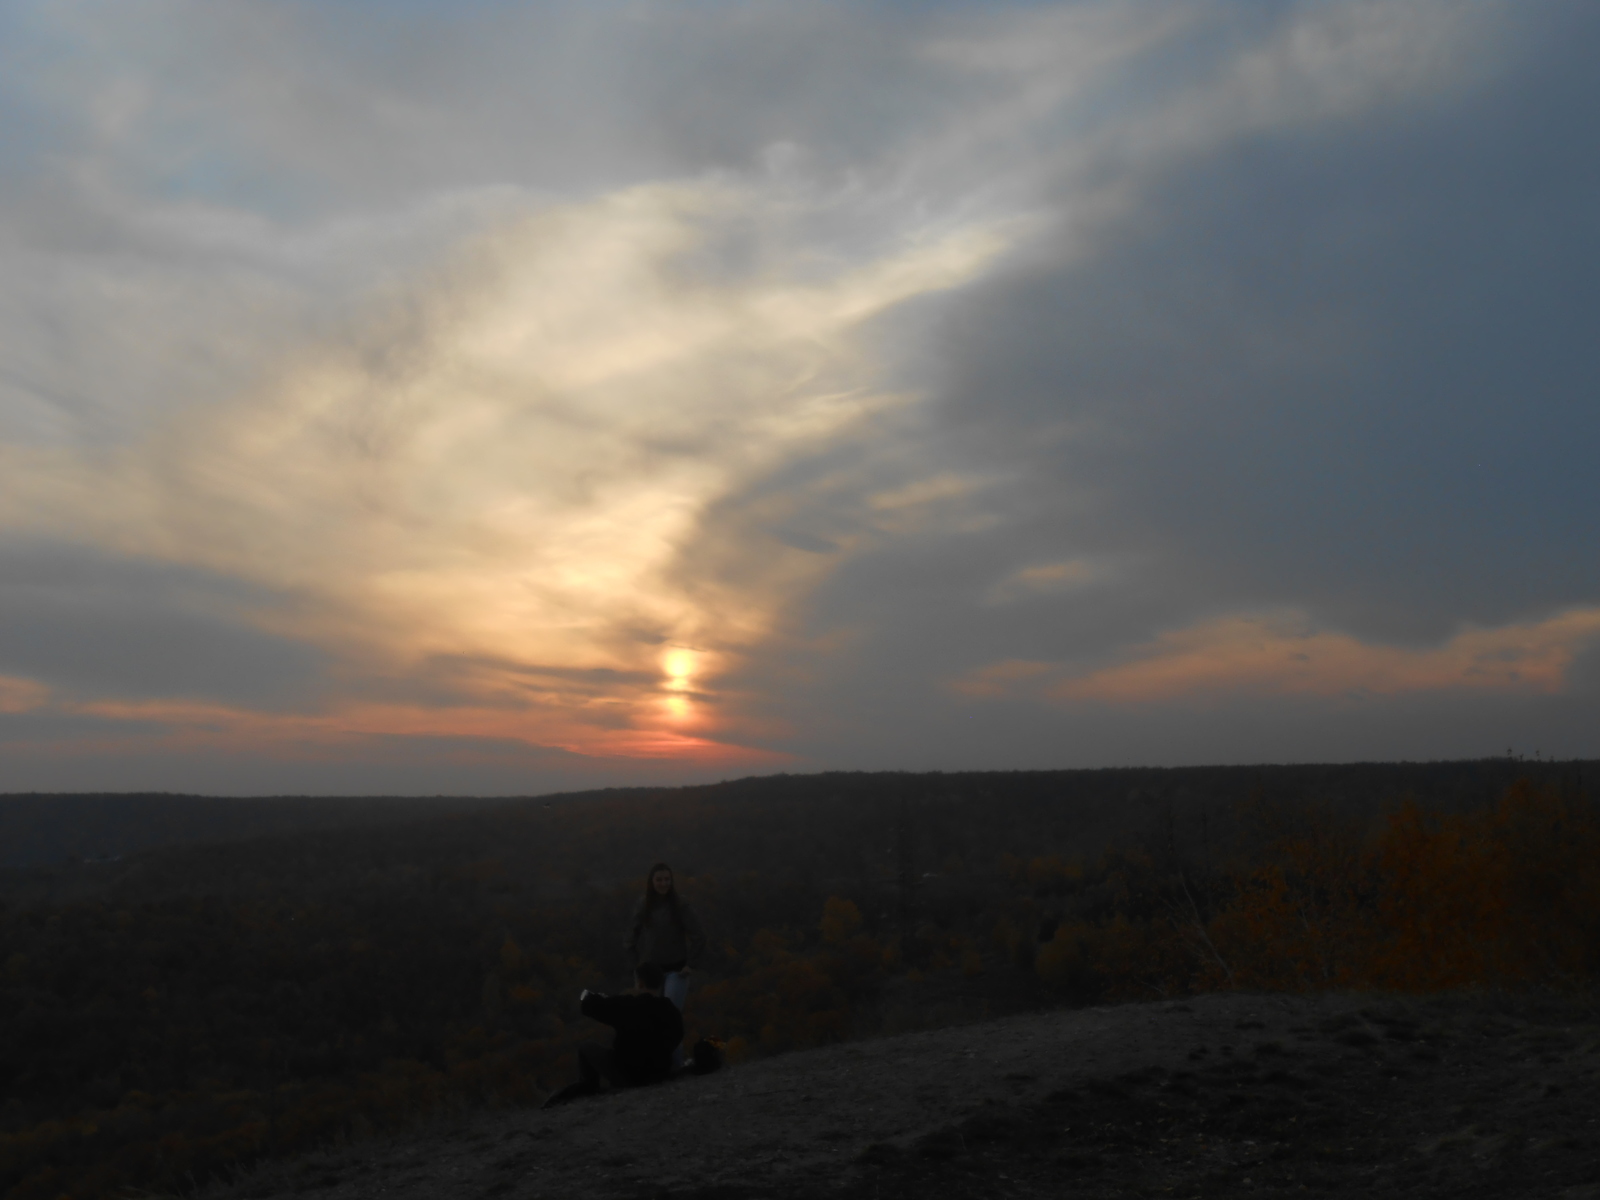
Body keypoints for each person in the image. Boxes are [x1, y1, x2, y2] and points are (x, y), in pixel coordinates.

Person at [542, 962, 684, 1107]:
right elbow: (678, 1036)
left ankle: (588, 1087)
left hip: (627, 1075)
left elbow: (589, 1006)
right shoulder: (671, 1010)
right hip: (659, 1074)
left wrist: (592, 997)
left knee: (586, 1047)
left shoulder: (628, 1005)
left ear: (640, 983)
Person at [625, 862, 706, 1028]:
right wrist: (635, 967)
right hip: (649, 972)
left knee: (670, 1021)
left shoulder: (680, 904)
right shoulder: (644, 904)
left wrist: (691, 964)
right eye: (659, 879)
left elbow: (699, 935)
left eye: (667, 879)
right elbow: (630, 937)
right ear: (652, 882)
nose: (664, 883)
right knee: (647, 1022)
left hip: (676, 972)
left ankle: (673, 1054)